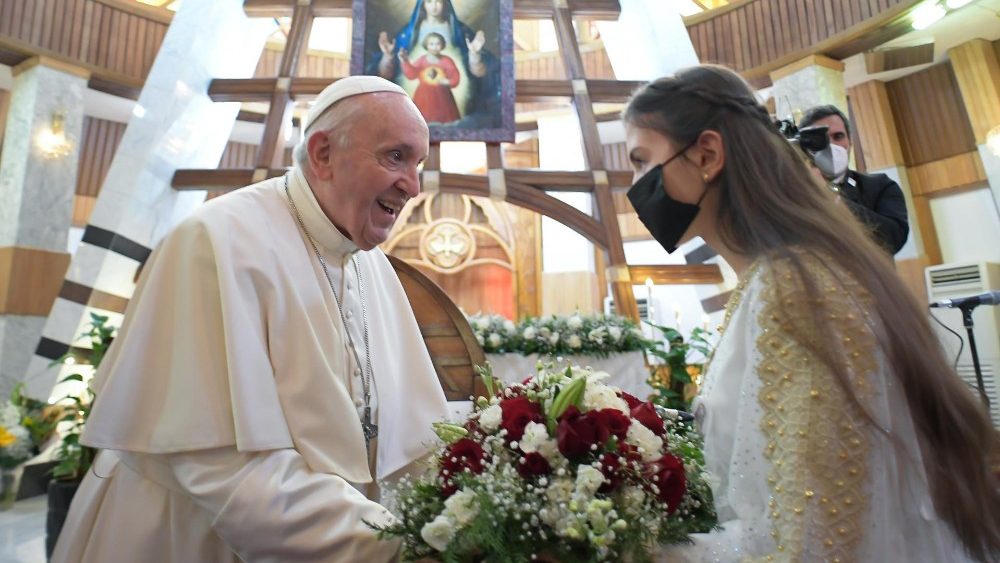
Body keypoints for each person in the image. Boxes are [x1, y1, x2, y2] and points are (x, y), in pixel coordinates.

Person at [52, 76, 449, 562]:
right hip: (198, 538)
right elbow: (219, 467)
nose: (413, 185)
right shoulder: (216, 241)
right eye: (395, 157)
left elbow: (407, 432)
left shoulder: (371, 264)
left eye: (418, 163)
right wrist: (395, 546)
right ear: (323, 153)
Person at [622, 65, 1000, 562]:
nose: (634, 185)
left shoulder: (797, 290)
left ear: (707, 154)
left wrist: (640, 555)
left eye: (641, 161)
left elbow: (814, 541)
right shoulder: (772, 282)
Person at [368, 0, 499, 128]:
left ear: (445, 4)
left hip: (447, 93)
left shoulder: (459, 31)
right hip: (421, 91)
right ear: (422, 5)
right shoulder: (408, 33)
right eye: (429, 1)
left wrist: (474, 55)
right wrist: (388, 55)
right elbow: (389, 73)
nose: (434, 6)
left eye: (439, 1)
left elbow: (479, 73)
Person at [799, 104, 910, 254]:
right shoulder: (795, 195)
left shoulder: (878, 186)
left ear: (850, 141)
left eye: (838, 136)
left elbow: (893, 239)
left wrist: (831, 197)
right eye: (822, 139)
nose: (832, 145)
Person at [399, 32, 462, 124]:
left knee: (445, 120)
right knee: (421, 121)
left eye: (438, 44)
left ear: (442, 45)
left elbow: (455, 76)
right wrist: (405, 61)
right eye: (431, 44)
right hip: (423, 95)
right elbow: (412, 74)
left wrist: (448, 82)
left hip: (443, 95)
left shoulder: (446, 60)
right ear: (426, 45)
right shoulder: (422, 60)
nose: (434, 47)